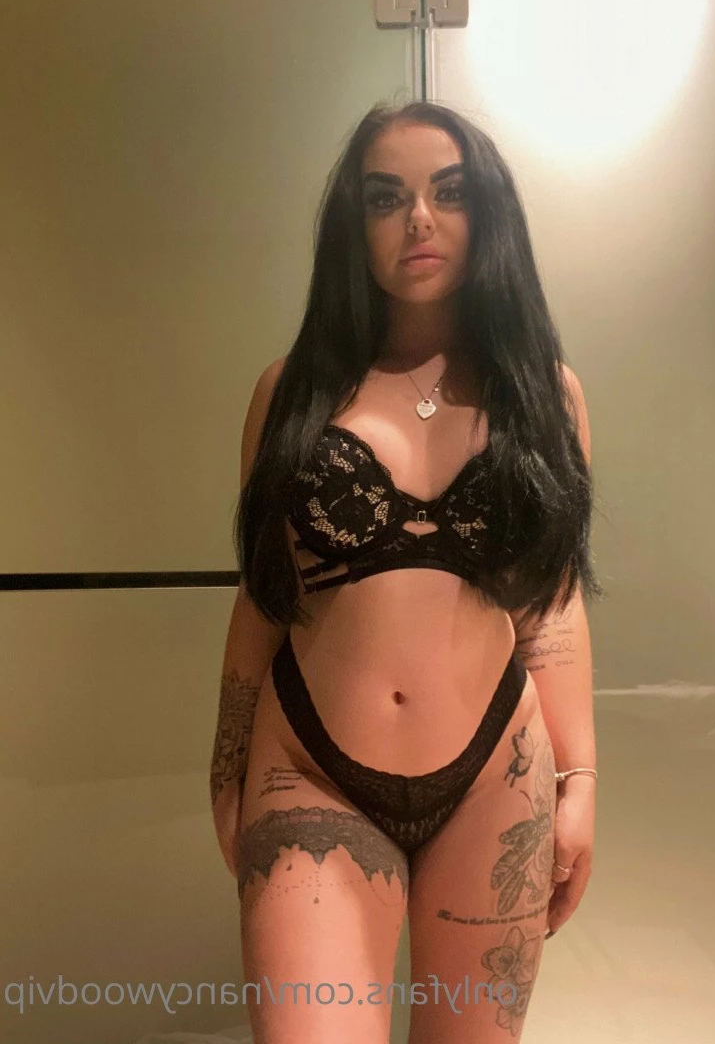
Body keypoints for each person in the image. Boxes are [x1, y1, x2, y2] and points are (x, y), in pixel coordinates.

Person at [210, 99, 604, 1044]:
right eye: (386, 198)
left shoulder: (545, 397)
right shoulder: (290, 391)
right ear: (354, 226)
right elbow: (264, 593)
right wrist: (224, 765)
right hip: (313, 772)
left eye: (448, 192)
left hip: (496, 775)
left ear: (488, 212)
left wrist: (581, 777)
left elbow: (551, 602)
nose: (418, 218)